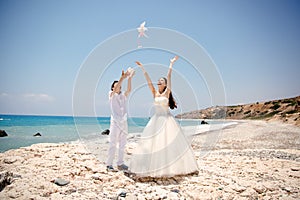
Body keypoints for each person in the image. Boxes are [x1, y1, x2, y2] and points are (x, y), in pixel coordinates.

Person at [129, 56, 199, 177]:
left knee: (167, 143)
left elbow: (169, 76)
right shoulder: (154, 92)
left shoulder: (167, 92)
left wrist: (171, 64)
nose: (159, 81)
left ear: (165, 84)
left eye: (162, 80)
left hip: (167, 120)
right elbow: (148, 80)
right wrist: (142, 68)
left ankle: (171, 167)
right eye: (159, 80)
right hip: (156, 120)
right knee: (153, 144)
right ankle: (150, 167)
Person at [106, 69, 134, 171]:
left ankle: (120, 163)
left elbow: (129, 89)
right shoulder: (111, 95)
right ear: (113, 87)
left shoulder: (123, 96)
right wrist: (122, 77)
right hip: (115, 122)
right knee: (113, 143)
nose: (119, 87)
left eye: (120, 86)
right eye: (116, 85)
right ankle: (109, 164)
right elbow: (116, 88)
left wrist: (130, 78)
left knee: (123, 143)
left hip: (124, 122)